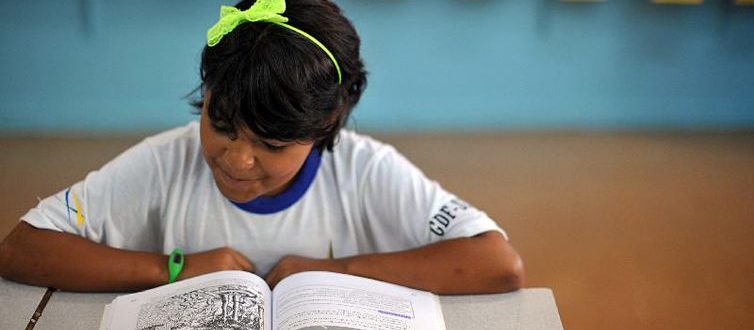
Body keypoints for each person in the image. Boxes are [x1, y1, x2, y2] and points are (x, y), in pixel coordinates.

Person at [0, 0, 523, 294]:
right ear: (206, 96)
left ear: (326, 124)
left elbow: (497, 262)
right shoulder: (165, 162)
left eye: (270, 144)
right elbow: (22, 247)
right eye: (221, 123)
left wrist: (332, 271)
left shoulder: (364, 171)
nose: (237, 159)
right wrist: (173, 269)